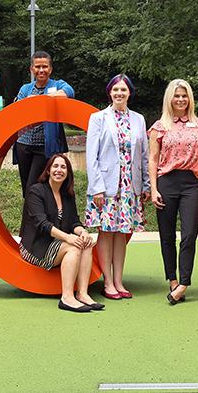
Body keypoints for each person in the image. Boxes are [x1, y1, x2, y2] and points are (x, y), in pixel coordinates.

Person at [149, 79, 198, 306]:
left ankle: (184, 283)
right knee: (167, 235)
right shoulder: (160, 126)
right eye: (176, 96)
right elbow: (152, 158)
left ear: (190, 99)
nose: (180, 100)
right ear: (170, 98)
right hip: (166, 181)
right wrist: (154, 188)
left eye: (184, 96)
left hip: (190, 183)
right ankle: (173, 279)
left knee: (189, 234)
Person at [84, 74, 151, 300]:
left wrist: (145, 186)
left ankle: (119, 280)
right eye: (115, 90)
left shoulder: (139, 120)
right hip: (106, 186)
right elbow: (91, 155)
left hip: (129, 186)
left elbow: (143, 155)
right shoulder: (98, 118)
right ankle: (108, 282)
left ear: (129, 93)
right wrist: (97, 188)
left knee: (122, 233)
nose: (119, 94)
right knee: (106, 232)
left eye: (123, 90)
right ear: (109, 93)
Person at [19, 154, 102, 313]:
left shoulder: (67, 194)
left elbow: (74, 222)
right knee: (73, 247)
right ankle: (67, 298)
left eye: (63, 167)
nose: (59, 170)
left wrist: (82, 232)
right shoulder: (36, 191)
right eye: (55, 166)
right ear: (48, 170)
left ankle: (83, 294)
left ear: (68, 172)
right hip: (36, 245)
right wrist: (68, 237)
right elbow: (42, 224)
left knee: (86, 243)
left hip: (57, 243)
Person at [13, 51, 75, 190]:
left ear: (50, 69)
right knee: (26, 187)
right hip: (24, 144)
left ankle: (37, 210)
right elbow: (18, 110)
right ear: (32, 69)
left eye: (45, 67)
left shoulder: (58, 85)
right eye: (37, 67)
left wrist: (38, 100)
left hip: (45, 147)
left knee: (34, 186)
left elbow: (69, 92)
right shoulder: (26, 89)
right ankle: (30, 211)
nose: (41, 70)